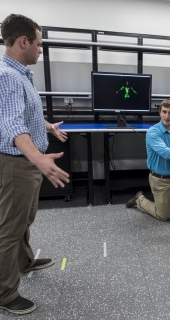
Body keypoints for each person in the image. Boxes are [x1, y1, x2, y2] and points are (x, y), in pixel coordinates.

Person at [0, 14, 70, 315]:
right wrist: (39, 157)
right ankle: (5, 293)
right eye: (39, 45)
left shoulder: (20, 74)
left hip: (24, 164)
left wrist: (47, 127)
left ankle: (24, 261)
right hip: (17, 165)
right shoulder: (8, 76)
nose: (41, 50)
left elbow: (24, 113)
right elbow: (11, 123)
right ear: (23, 41)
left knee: (24, 220)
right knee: (10, 229)